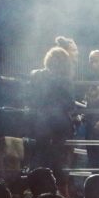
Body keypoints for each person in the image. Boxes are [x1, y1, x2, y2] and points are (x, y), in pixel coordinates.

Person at [28, 47, 78, 175]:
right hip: (60, 121)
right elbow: (70, 103)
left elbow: (31, 98)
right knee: (58, 155)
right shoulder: (66, 80)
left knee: (40, 152)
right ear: (65, 63)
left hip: (42, 119)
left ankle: (37, 183)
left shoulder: (37, 75)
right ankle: (56, 184)